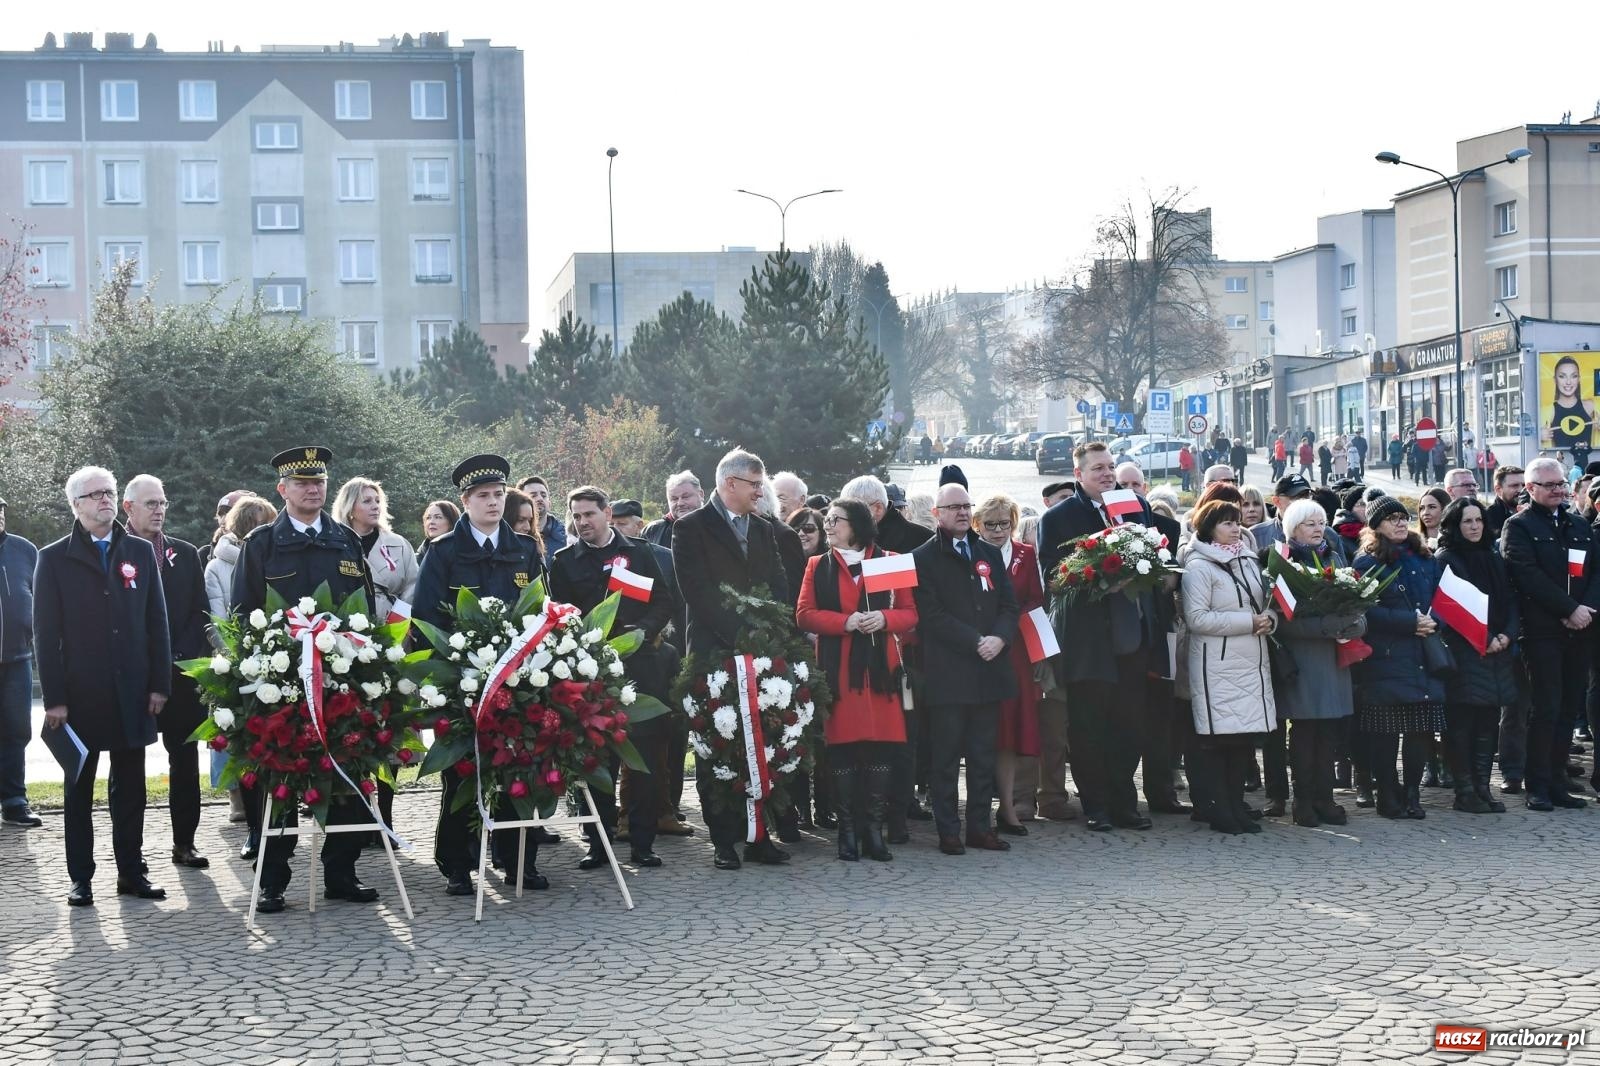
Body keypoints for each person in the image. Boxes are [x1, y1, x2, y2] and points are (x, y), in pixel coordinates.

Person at [231, 447, 379, 913]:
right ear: (283, 490)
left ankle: (341, 872)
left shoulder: (346, 541)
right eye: (301, 483)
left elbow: (365, 609)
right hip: (282, 684)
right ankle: (273, 879)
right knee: (278, 782)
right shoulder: (261, 544)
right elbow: (242, 615)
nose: (312, 489)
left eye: (319, 482)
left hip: (339, 681)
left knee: (344, 773)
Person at [35, 466, 171, 906]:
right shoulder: (54, 557)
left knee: (130, 790)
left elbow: (157, 621)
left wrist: (159, 684)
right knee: (79, 792)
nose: (105, 500)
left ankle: (131, 873)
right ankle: (81, 879)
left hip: (133, 692)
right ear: (76, 505)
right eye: (94, 495)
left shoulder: (137, 549)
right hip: (80, 696)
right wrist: (54, 699)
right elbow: (45, 632)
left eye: (109, 493)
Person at [414, 455, 549, 896]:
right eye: (483, 497)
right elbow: (427, 616)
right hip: (462, 681)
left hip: (518, 681)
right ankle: (458, 864)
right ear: (465, 501)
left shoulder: (524, 549)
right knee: (462, 772)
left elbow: (542, 610)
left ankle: (518, 862)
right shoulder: (443, 551)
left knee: (518, 767)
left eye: (497, 495)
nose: (493, 503)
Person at [672, 448, 792, 871]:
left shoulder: (762, 529)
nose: (761, 493)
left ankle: (758, 835)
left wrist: (768, 627)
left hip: (760, 651)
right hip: (713, 650)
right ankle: (724, 840)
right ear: (730, 484)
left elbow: (778, 581)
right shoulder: (690, 527)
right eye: (755, 485)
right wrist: (738, 633)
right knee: (716, 743)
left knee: (761, 742)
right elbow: (696, 590)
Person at [1040, 442, 1167, 833]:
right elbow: (1052, 577)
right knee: (1089, 726)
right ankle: (1096, 805)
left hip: (1132, 636)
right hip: (1088, 640)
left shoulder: (1135, 506)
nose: (1107, 473)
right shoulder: (1061, 516)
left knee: (1129, 725)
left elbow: (1156, 555)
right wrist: (1100, 581)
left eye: (1110, 466)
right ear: (1079, 474)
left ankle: (1125, 801)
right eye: (1098, 468)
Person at [549, 485, 675, 870]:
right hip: (590, 672)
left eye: (589, 514)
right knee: (596, 760)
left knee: (645, 758)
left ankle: (642, 842)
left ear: (607, 512)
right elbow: (556, 613)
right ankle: (598, 842)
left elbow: (665, 600)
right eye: (576, 516)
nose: (582, 522)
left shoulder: (641, 553)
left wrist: (643, 631)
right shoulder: (564, 560)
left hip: (642, 666)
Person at [795, 499, 918, 861]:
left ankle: (873, 832)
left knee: (882, 749)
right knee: (843, 751)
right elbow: (803, 615)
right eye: (827, 519)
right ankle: (847, 833)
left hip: (882, 674)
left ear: (859, 525)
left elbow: (910, 614)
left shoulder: (890, 560)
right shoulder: (817, 565)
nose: (827, 525)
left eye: (836, 520)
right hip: (840, 674)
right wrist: (844, 623)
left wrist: (883, 618)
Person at [912, 483, 1019, 855]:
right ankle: (948, 830)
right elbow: (931, 615)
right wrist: (976, 640)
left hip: (989, 671)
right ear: (936, 514)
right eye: (953, 507)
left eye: (965, 505)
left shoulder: (987, 551)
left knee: (982, 756)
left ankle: (980, 827)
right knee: (945, 758)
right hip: (949, 673)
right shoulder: (923, 558)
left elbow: (1009, 605)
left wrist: (1000, 639)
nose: (960, 512)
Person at [121, 475, 211, 871]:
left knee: (186, 760)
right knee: (129, 767)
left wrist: (180, 654)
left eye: (163, 503)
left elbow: (199, 611)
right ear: (129, 508)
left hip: (180, 674)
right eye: (150, 504)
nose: (159, 510)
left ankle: (185, 844)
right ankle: (131, 854)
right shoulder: (114, 553)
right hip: (133, 679)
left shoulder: (185, 553)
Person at [839, 474, 934, 838]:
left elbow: (915, 607)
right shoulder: (843, 547)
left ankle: (898, 814)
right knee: (863, 737)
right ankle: (868, 815)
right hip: (855, 660)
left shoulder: (912, 542)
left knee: (902, 738)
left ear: (876, 510)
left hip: (902, 662)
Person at [1502, 457, 1596, 812]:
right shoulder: (1519, 526)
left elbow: (1595, 571)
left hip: (1580, 630)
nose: (1559, 490)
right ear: (1530, 488)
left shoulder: (1577, 525)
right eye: (1550, 485)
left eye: (1561, 484)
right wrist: (1567, 609)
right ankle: (1537, 784)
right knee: (1546, 708)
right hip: (1541, 632)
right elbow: (1526, 575)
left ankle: (1558, 781)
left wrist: (1585, 609)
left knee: (1568, 708)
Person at [1180, 498, 1278, 835]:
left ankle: (1236, 805)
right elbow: (1196, 618)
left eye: (1237, 522)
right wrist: (1248, 622)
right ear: (1209, 528)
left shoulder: (1248, 559)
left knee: (1242, 741)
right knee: (1219, 743)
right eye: (1227, 523)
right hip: (1217, 664)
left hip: (1251, 660)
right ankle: (1220, 809)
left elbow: (1265, 603)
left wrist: (1270, 620)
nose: (1236, 528)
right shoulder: (1199, 567)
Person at [1351, 496, 1447, 820]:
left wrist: (1435, 621)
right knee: (1385, 733)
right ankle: (1388, 793)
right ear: (1376, 525)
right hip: (1387, 658)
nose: (1400, 522)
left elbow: (1442, 598)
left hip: (1423, 654)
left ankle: (1412, 793)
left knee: (1420, 731)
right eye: (1391, 518)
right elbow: (1366, 609)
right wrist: (1409, 623)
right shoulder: (1367, 562)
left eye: (1403, 517)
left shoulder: (1424, 557)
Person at [1272, 499, 1364, 827]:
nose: (1317, 528)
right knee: (1305, 732)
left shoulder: (1336, 557)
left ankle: (1326, 798)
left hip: (1334, 657)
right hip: (1303, 660)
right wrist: (1327, 627)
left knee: (1329, 732)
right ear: (1292, 528)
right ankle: (1303, 799)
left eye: (1320, 522)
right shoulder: (1283, 562)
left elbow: (1357, 604)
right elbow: (1283, 621)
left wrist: (1354, 624)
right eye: (1309, 523)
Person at [1434, 498, 1516, 814]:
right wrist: (1485, 638)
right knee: (1462, 723)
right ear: (1455, 525)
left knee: (1488, 722)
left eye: (1478, 520)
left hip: (1497, 651)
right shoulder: (1446, 559)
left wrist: (1506, 634)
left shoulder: (1493, 556)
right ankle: (1464, 790)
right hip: (1464, 651)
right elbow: (1451, 610)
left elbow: (1509, 600)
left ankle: (1483, 787)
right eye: (1467, 521)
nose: (1474, 526)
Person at [1116, 462, 1187, 814]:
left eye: (1136, 483)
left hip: (1160, 635)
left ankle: (1162, 793)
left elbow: (1173, 581)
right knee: (1127, 723)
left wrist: (1166, 578)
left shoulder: (1168, 529)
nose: (1130, 489)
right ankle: (1124, 798)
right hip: (1122, 641)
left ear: (1145, 488)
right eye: (1123, 483)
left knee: (1161, 719)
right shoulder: (1106, 530)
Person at [204, 495, 278, 826]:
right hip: (238, 658)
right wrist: (235, 655)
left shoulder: (275, 557)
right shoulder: (218, 566)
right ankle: (239, 798)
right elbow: (217, 616)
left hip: (277, 658)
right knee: (233, 730)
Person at [972, 494, 1043, 836]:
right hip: (978, 652)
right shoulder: (970, 554)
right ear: (977, 525)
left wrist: (1007, 630)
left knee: (1011, 730)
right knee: (984, 730)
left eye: (1005, 523)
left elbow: (1034, 598)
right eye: (991, 524)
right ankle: (979, 807)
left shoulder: (1026, 555)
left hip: (1014, 652)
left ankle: (1008, 806)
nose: (999, 531)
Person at [0, 496, 40, 828]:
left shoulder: (24, 550)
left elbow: (41, 601)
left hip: (18, 659)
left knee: (16, 731)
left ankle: (14, 801)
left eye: (0, 509)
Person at [333, 478, 418, 623]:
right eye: (367, 501)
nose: (375, 506)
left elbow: (413, 587)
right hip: (349, 629)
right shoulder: (334, 546)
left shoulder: (399, 544)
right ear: (350, 507)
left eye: (377, 501)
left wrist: (398, 621)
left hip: (393, 628)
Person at [1544, 354, 1596, 453]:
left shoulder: (1590, 405)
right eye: (1562, 376)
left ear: (1579, 379)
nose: (1568, 382)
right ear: (1555, 379)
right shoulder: (1549, 410)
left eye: (1574, 376)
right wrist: (1539, 435)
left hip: (1589, 463)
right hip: (1562, 462)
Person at [642, 470, 703, 550]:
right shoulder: (652, 531)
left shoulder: (719, 525)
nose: (680, 503)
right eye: (674, 499)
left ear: (701, 495)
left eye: (685, 497)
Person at [516, 475, 566, 567]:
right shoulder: (511, 537)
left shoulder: (566, 538)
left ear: (550, 503)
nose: (539, 499)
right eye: (533, 495)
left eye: (543, 495)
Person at [1483, 466, 1525, 544]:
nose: (1521, 490)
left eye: (1524, 485)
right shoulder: (1487, 517)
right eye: (1514, 486)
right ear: (1498, 489)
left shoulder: (1537, 511)